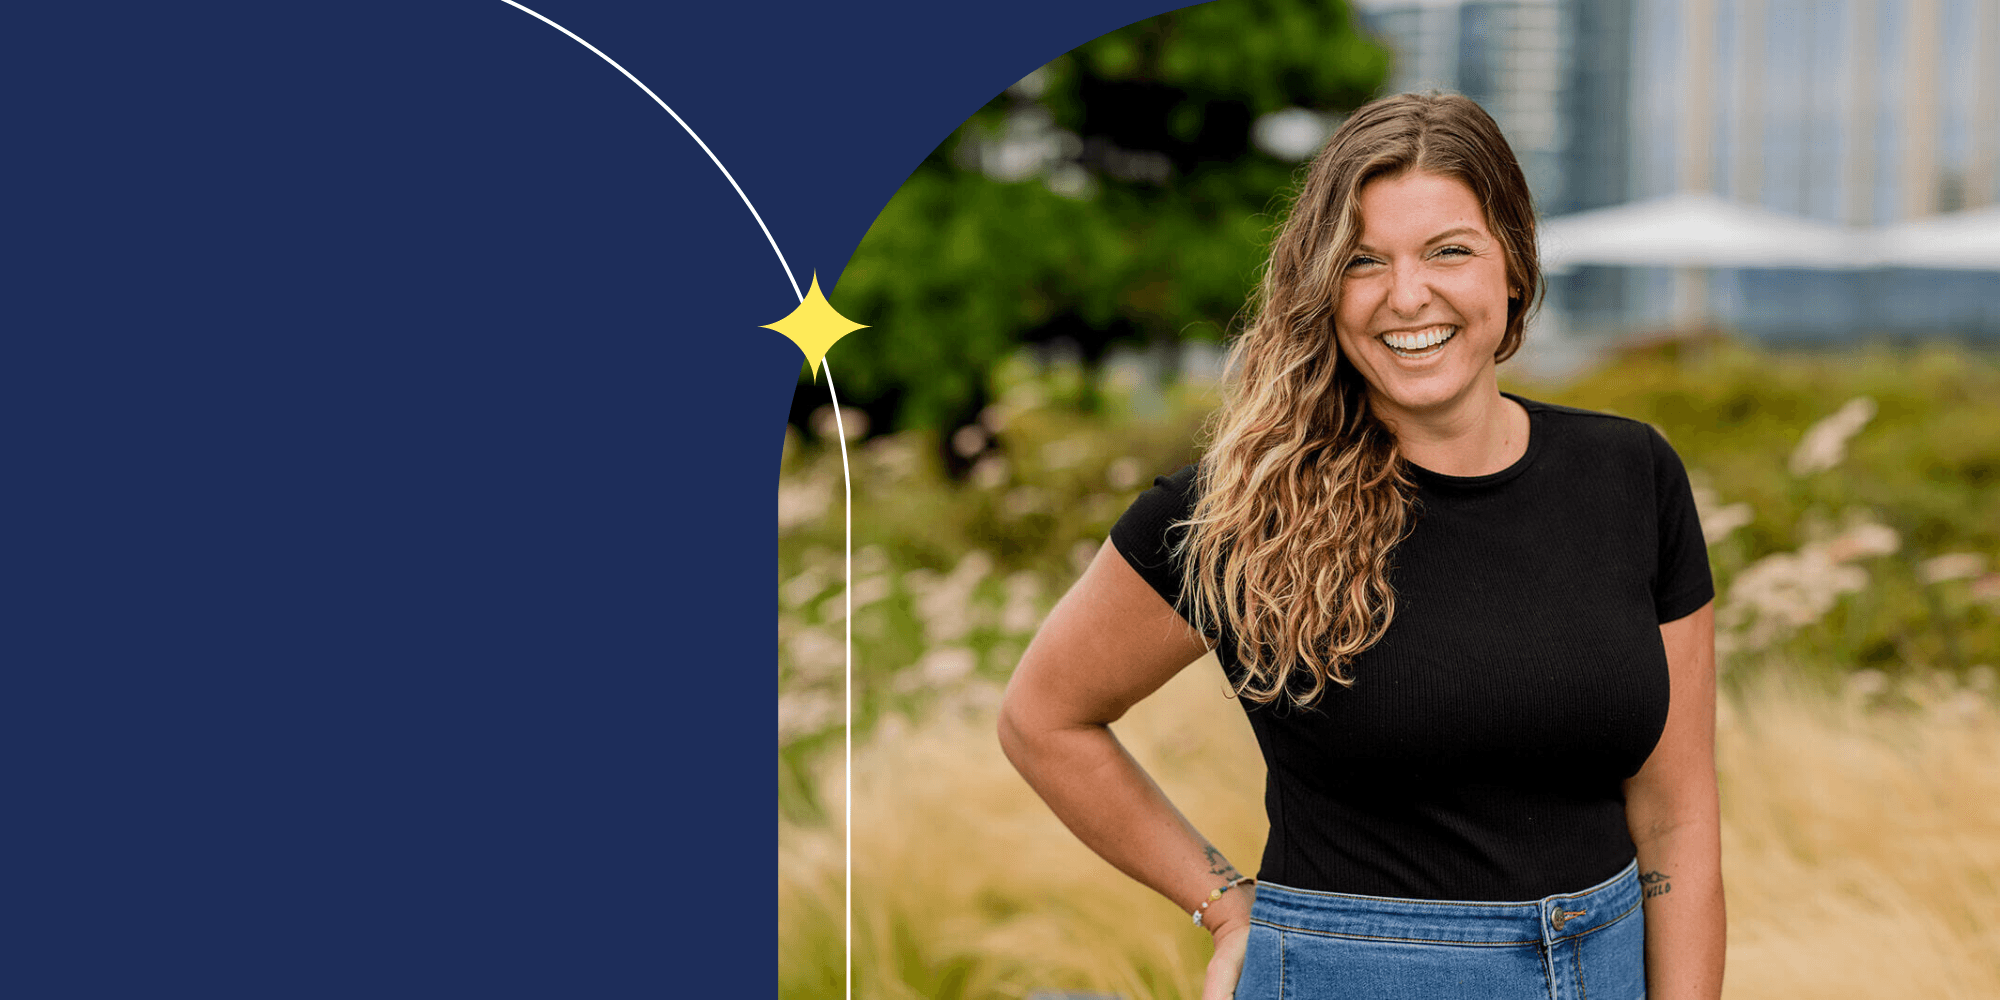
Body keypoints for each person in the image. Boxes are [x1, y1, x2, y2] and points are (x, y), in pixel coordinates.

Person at [996, 93, 1724, 1000]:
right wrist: (1222, 904)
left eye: (1449, 251)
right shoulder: (1237, 512)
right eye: (1362, 261)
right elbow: (1043, 719)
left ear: (1514, 265)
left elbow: (1676, 819)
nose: (1406, 295)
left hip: (1603, 969)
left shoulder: (1632, 475)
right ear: (1323, 289)